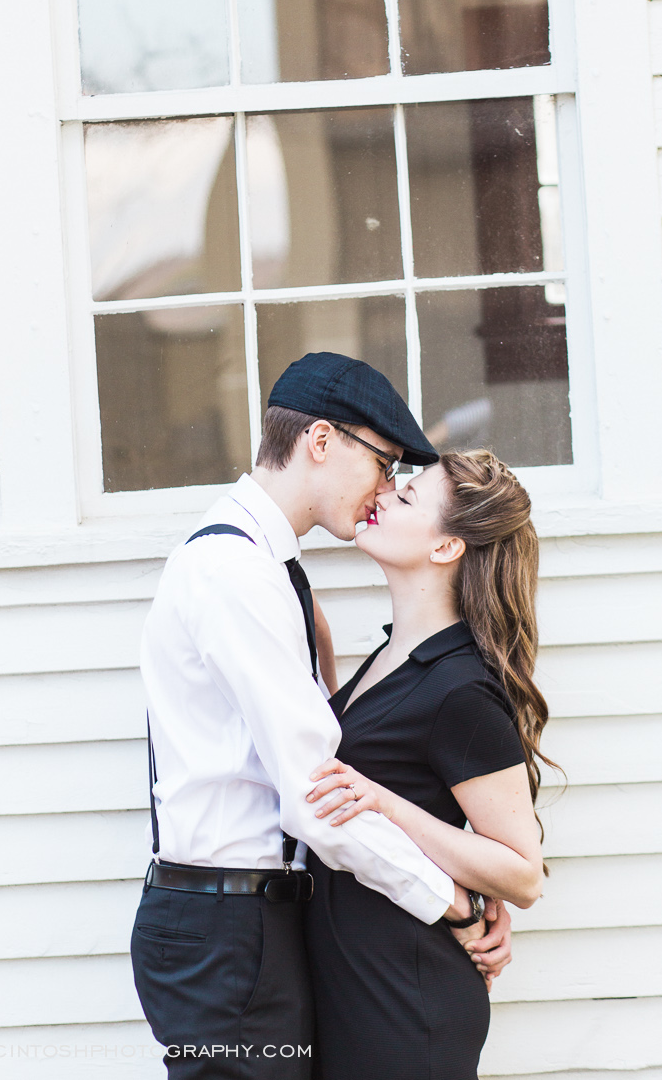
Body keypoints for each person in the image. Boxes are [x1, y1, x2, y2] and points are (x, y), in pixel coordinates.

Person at [132, 354, 513, 1079]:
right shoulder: (235, 572)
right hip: (226, 929)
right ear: (321, 441)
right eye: (383, 463)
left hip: (251, 922)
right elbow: (317, 798)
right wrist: (453, 905)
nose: (384, 491)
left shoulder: (267, 568)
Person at [302, 449, 551, 1080]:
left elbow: (521, 874)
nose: (384, 495)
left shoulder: (459, 687)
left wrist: (385, 803)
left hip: (405, 1003)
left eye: (407, 498)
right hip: (351, 986)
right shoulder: (392, 657)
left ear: (445, 549)